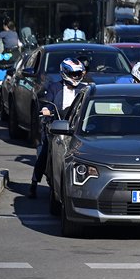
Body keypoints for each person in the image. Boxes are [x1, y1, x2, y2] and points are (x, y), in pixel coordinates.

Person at [30, 58, 89, 198]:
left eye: (78, 73)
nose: (76, 77)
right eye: (73, 73)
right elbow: (49, 102)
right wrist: (45, 109)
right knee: (45, 152)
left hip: (77, 128)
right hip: (57, 126)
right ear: (64, 72)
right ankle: (34, 183)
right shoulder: (54, 87)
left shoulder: (85, 89)